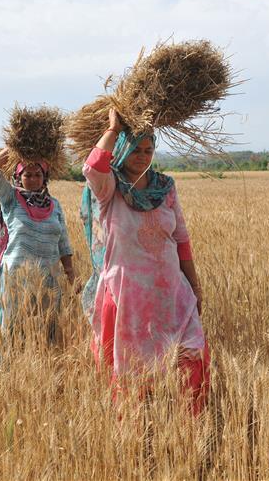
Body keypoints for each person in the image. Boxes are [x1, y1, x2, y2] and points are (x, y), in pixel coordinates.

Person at [82, 108, 209, 414]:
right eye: (135, 149)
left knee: (192, 354)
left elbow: (181, 239)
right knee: (133, 368)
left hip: (170, 293)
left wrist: (194, 285)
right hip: (129, 296)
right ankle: (135, 431)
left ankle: (189, 426)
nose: (141, 156)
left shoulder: (165, 187)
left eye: (148, 150)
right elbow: (91, 167)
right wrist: (113, 129)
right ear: (123, 149)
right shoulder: (109, 188)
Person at [0, 148, 75, 341]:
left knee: (47, 335)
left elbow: (63, 241)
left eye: (38, 174)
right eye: (27, 174)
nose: (33, 179)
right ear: (18, 176)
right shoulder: (10, 199)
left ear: (45, 177)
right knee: (13, 334)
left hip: (49, 279)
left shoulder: (55, 205)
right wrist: (16, 147)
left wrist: (70, 273)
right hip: (17, 280)